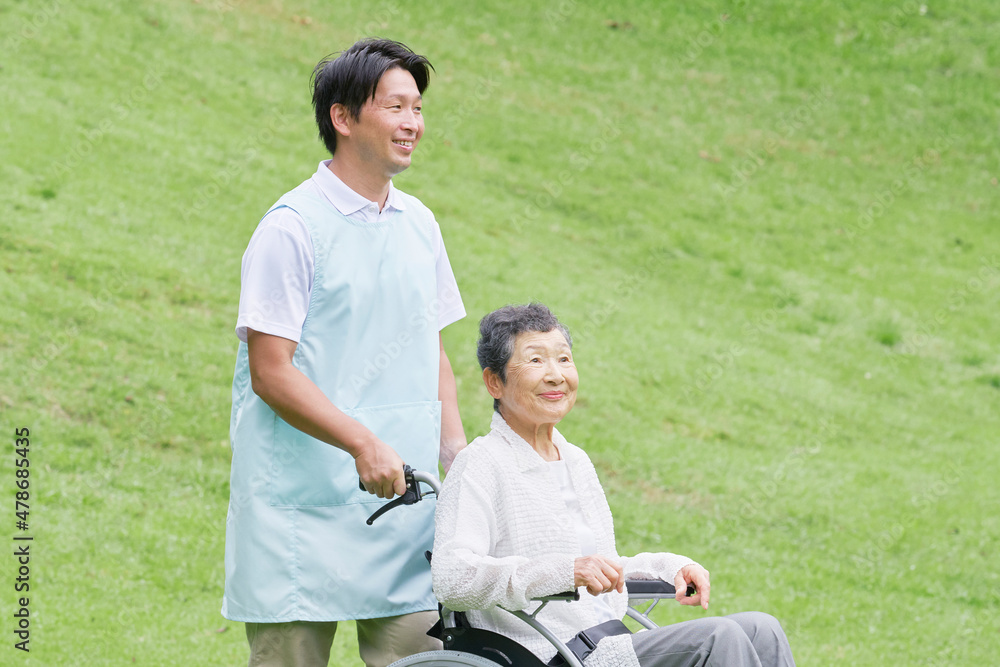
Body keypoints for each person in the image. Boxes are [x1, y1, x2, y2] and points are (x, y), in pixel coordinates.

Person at [222, 38, 467, 667]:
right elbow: (270, 371)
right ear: (343, 116)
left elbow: (431, 352)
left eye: (418, 108)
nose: (413, 123)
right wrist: (361, 442)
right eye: (396, 107)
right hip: (300, 513)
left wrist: (460, 459)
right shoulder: (291, 227)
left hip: (405, 507)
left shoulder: (421, 224)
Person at [431, 304, 795, 667]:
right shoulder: (480, 464)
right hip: (551, 653)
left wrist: (669, 567)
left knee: (763, 628)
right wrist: (565, 571)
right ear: (495, 381)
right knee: (719, 637)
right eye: (536, 361)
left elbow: (603, 568)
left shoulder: (574, 460)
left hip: (609, 642)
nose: (556, 375)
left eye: (564, 359)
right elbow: (453, 578)